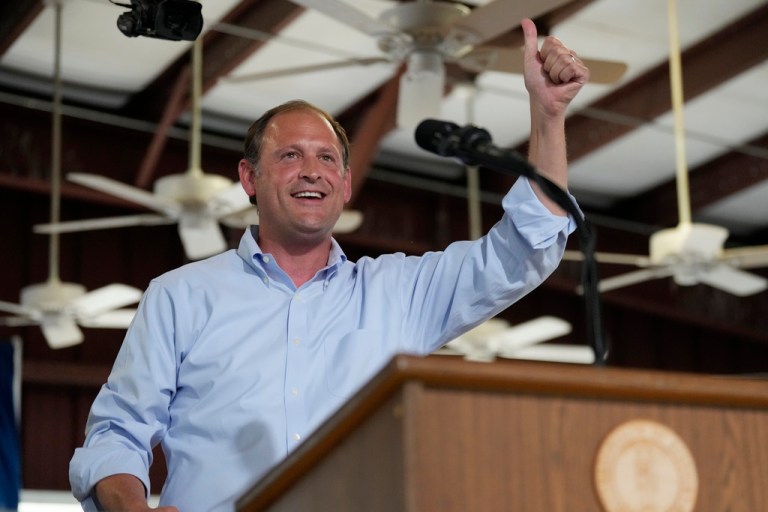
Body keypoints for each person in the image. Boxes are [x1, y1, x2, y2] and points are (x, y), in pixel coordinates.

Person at [69, 18, 589, 512]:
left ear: (344, 185)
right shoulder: (180, 295)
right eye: (290, 156)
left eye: (326, 159)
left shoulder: (399, 294)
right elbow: (118, 431)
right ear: (249, 178)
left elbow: (524, 248)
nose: (310, 171)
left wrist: (547, 116)